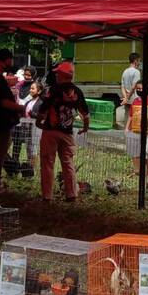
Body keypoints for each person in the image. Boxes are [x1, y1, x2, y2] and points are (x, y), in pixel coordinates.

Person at [35, 62, 89, 201]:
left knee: (47, 163)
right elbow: (85, 114)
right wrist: (85, 127)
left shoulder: (52, 90)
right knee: (68, 162)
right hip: (67, 133)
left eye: (58, 73)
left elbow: (43, 109)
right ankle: (71, 194)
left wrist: (39, 121)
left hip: (50, 132)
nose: (56, 75)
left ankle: (47, 196)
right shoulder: (77, 92)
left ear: (62, 75)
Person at [0, 48, 25, 194]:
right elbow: (4, 103)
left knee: (1, 149)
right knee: (0, 152)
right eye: (10, 59)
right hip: (1, 121)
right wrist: (21, 107)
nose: (11, 62)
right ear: (3, 60)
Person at [9, 80, 43, 178]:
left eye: (33, 89)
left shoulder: (41, 103)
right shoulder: (28, 102)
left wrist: (32, 114)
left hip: (35, 128)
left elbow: (41, 116)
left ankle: (32, 170)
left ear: (39, 91)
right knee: (28, 147)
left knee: (33, 149)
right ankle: (28, 170)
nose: (31, 90)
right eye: (30, 88)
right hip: (27, 128)